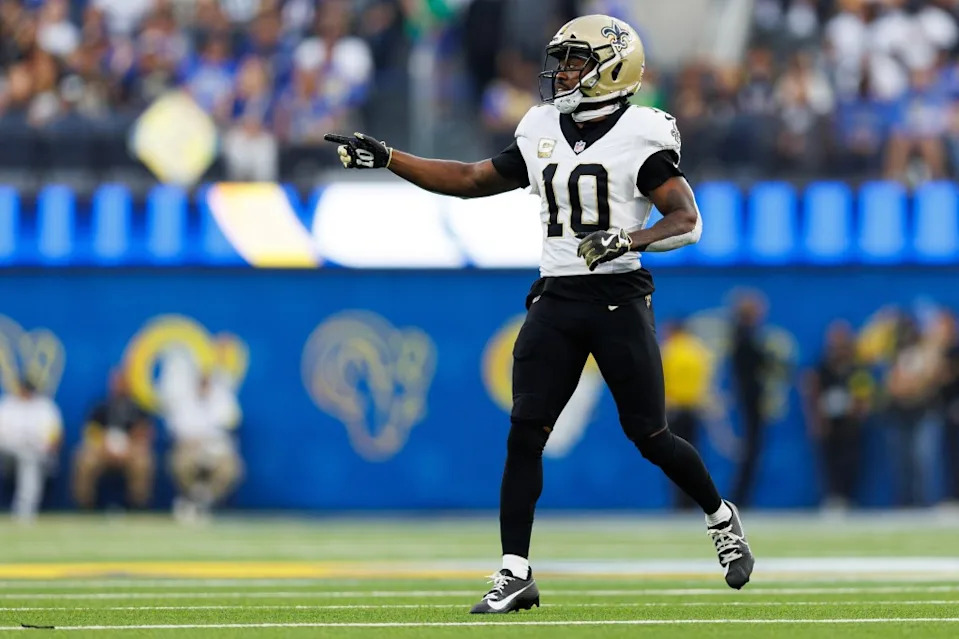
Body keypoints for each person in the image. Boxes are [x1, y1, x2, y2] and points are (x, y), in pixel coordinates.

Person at [324, 14, 755, 614]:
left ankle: (720, 517)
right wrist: (391, 158)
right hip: (556, 295)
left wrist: (628, 240)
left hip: (617, 296)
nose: (564, 72)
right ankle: (514, 570)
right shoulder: (542, 126)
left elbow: (687, 220)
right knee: (524, 432)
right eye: (564, 60)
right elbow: (474, 179)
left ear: (613, 68)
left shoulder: (642, 133)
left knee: (650, 435)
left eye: (577, 60)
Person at [802, 320, 874, 512]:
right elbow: (811, 390)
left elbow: (864, 392)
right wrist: (816, 419)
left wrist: (860, 410)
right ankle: (833, 496)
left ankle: (848, 496)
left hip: (850, 421)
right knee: (828, 460)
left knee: (851, 459)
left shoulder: (856, 367)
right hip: (828, 421)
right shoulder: (821, 366)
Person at [72, 369, 155, 510]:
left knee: (143, 462)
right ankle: (85, 507)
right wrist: (105, 446)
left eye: (123, 382)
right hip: (103, 449)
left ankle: (138, 508)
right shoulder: (101, 407)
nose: (119, 385)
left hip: (131, 449)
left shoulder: (138, 408)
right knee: (84, 459)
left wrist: (129, 446)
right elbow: (90, 433)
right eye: (116, 382)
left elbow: (146, 434)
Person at [661, 320, 714, 510]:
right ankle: (693, 500)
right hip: (694, 409)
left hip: (674, 410)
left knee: (673, 458)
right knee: (692, 456)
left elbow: (660, 380)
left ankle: (680, 502)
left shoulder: (670, 351)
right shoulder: (698, 351)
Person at [0, 378, 62, 523]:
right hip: (9, 455)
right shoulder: (7, 405)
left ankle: (25, 511)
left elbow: (55, 438)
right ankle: (24, 511)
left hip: (38, 455)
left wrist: (45, 447)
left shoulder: (45, 407)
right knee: (25, 455)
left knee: (29, 458)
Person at [729, 291, 770, 507]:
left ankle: (742, 497)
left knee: (753, 449)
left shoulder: (743, 334)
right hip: (749, 397)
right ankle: (740, 498)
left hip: (749, 396)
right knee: (751, 449)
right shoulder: (744, 335)